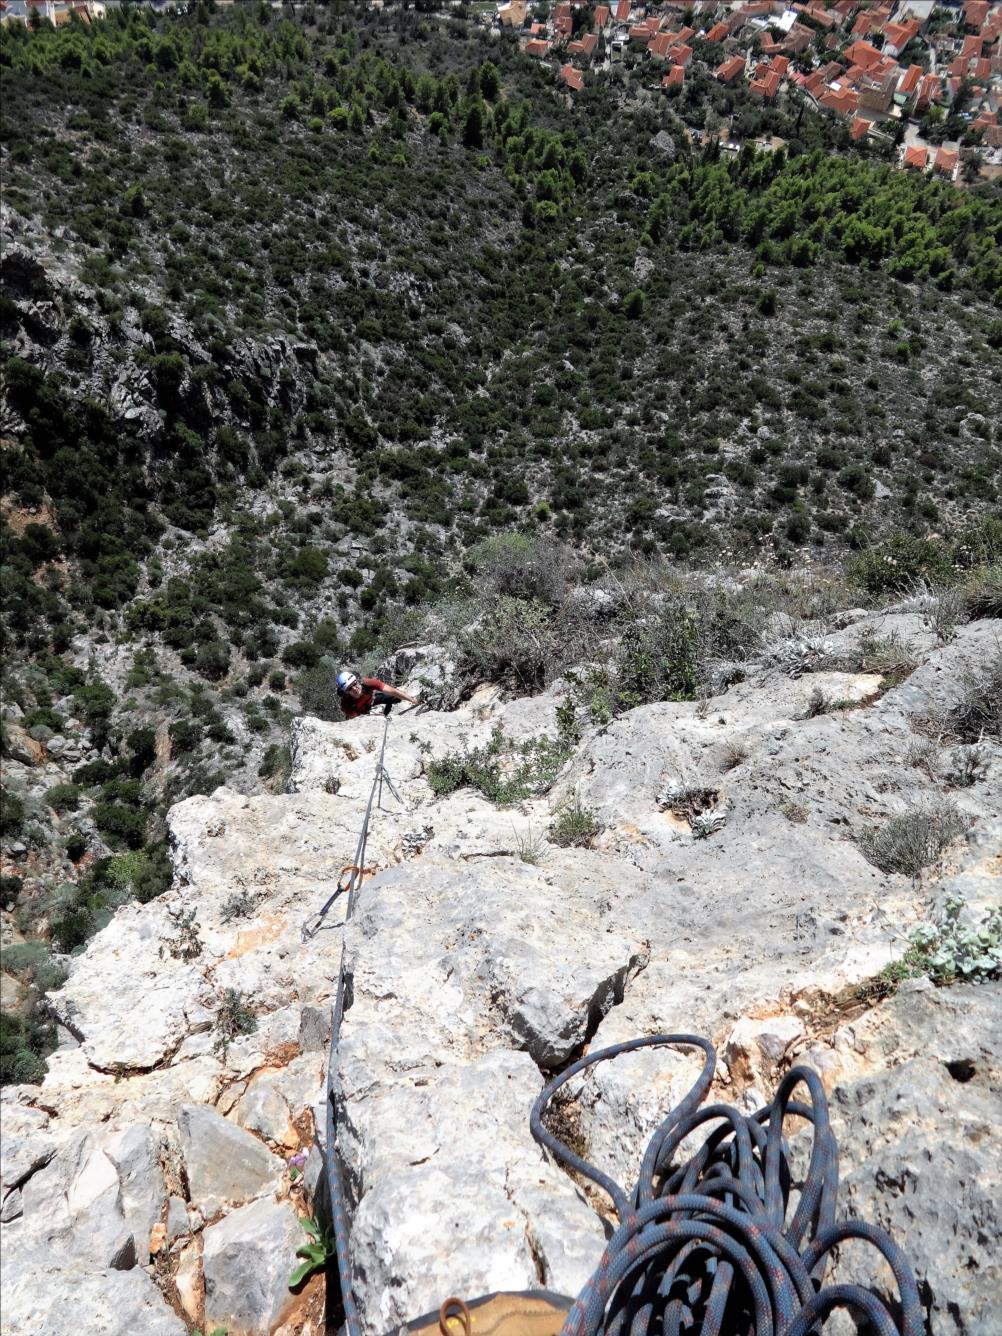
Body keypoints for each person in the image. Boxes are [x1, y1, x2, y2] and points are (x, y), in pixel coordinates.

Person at [335, 670, 419, 721]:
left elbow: (393, 691)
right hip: (361, 712)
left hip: (371, 700)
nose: (354, 689)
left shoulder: (367, 683)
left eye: (354, 684)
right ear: (346, 693)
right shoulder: (346, 704)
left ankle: (386, 713)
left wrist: (413, 700)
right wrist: (374, 718)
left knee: (395, 698)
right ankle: (384, 716)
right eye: (349, 689)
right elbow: (356, 720)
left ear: (357, 680)